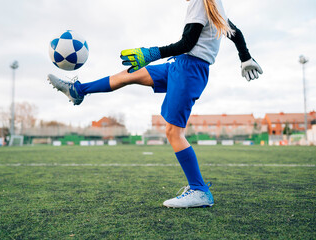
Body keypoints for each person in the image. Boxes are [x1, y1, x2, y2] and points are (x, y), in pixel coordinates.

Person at [47, 0, 263, 208]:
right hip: (182, 65)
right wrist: (246, 58)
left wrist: (152, 53)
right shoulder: (214, 4)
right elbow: (235, 33)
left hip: (189, 70)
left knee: (173, 132)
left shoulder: (200, 1)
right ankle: (78, 91)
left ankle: (199, 191)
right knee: (128, 74)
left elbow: (187, 43)